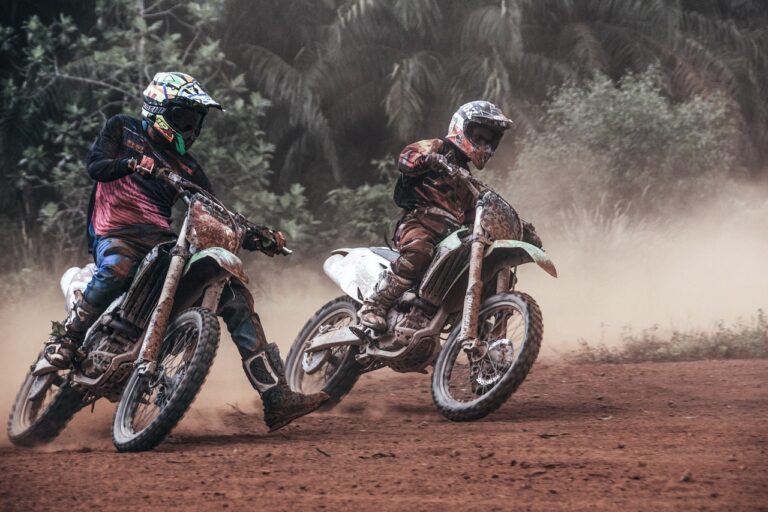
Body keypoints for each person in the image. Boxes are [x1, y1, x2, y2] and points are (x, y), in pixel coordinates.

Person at [43, 71, 327, 431]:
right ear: (158, 110)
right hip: (115, 232)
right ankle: (67, 339)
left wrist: (260, 236)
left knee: (234, 296)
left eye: (195, 120)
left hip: (161, 242)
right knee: (117, 268)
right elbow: (95, 166)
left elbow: (216, 209)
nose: (191, 128)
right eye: (184, 117)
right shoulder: (123, 128)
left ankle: (276, 396)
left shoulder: (188, 166)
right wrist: (132, 163)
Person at [360, 100, 539, 331]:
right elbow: (408, 155)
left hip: (451, 239)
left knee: (488, 268)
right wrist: (428, 159)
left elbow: (484, 214)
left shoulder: (468, 183)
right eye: (479, 136)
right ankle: (375, 304)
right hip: (419, 222)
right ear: (462, 127)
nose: (484, 145)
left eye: (489, 140)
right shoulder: (439, 148)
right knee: (419, 250)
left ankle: (477, 327)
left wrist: (522, 229)